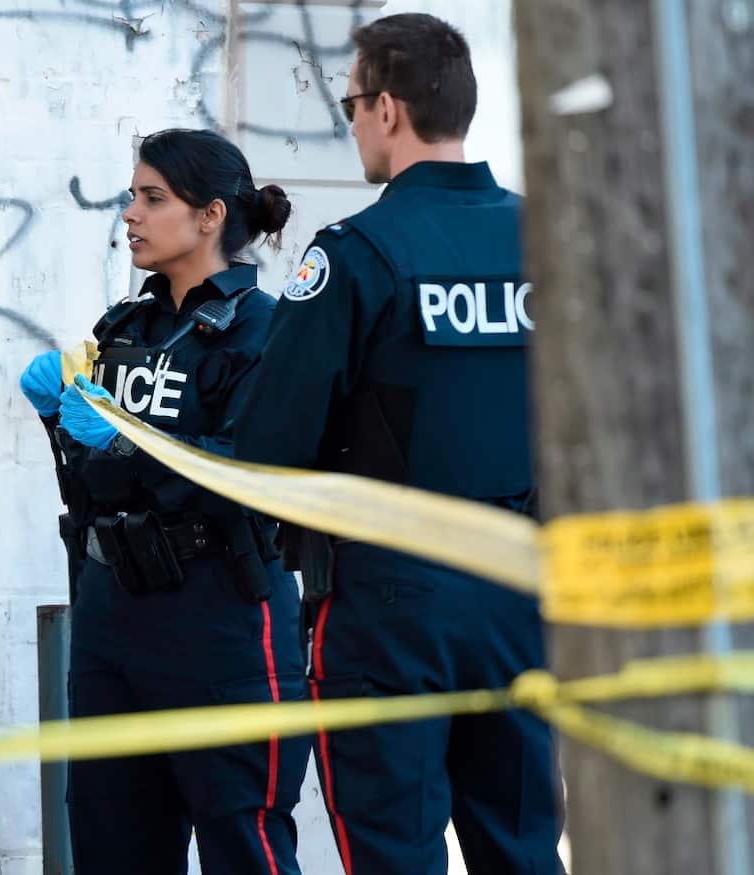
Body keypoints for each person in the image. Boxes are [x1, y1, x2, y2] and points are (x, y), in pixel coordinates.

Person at [233, 14, 564, 875]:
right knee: (523, 847)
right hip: (519, 590)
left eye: (349, 104)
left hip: (390, 603)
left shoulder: (359, 254)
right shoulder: (547, 241)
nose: (352, 127)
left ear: (386, 109)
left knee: (392, 854)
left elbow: (269, 443)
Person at [19, 128, 311, 875]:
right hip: (114, 620)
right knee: (112, 843)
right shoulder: (126, 329)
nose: (130, 215)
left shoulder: (263, 330)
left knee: (244, 845)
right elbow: (91, 484)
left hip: (220, 621)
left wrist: (127, 441)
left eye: (152, 198)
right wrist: (61, 419)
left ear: (211, 216)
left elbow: (251, 474)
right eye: (132, 197)